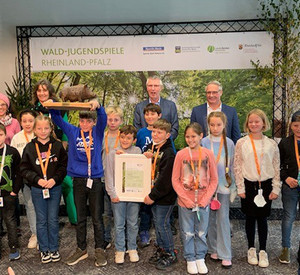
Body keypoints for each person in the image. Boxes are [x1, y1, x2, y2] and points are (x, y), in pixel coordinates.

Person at [49, 100, 108, 267]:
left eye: (88, 121)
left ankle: (99, 249)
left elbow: (103, 117)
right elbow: (57, 119)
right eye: (82, 121)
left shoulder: (97, 132)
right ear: (79, 121)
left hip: (95, 180)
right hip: (78, 181)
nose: (85, 124)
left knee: (97, 218)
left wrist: (98, 106)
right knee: (80, 217)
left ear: (93, 122)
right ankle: (81, 248)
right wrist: (54, 106)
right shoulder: (73, 131)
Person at [234, 109, 281, 268]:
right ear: (247, 124)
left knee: (262, 219)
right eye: (251, 121)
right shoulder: (242, 143)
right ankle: (251, 249)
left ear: (263, 123)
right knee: (250, 218)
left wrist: (276, 188)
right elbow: (237, 166)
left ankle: (263, 250)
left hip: (266, 185)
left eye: (257, 121)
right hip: (248, 186)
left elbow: (276, 166)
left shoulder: (271, 143)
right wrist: (240, 186)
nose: (254, 124)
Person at [20, 115, 67, 263]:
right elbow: (24, 169)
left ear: (51, 128)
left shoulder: (58, 146)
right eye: (39, 128)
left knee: (53, 219)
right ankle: (44, 249)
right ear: (34, 129)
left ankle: (53, 248)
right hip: (37, 188)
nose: (43, 131)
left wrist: (54, 179)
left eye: (46, 128)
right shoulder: (29, 148)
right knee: (41, 220)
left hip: (54, 187)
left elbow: (63, 167)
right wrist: (38, 180)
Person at [172, 122, 218, 274]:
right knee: (187, 231)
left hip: (203, 201)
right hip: (186, 201)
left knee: (201, 231)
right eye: (187, 136)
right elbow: (175, 180)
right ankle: (190, 257)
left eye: (193, 136)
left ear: (201, 136)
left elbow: (214, 180)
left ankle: (200, 257)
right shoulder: (181, 155)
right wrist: (185, 198)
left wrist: (206, 199)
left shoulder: (208, 154)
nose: (190, 139)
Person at [31, 79, 77, 225]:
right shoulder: (32, 110)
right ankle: (50, 221)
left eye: (45, 90)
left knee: (67, 184)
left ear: (50, 92)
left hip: (58, 151)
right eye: (39, 90)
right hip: (39, 153)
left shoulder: (59, 108)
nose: (42, 93)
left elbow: (64, 131)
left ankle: (74, 219)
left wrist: (62, 150)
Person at [202, 111, 236, 269]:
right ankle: (213, 249)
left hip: (223, 187)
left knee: (222, 220)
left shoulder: (229, 143)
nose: (215, 128)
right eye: (212, 125)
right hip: (207, 188)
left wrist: (233, 187)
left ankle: (225, 253)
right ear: (208, 125)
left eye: (218, 125)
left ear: (224, 125)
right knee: (209, 220)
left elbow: (233, 166)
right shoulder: (203, 142)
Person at [143, 119, 177, 270]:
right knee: (157, 224)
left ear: (168, 135)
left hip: (164, 197)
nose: (155, 135)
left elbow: (164, 180)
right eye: (154, 132)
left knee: (163, 224)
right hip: (154, 194)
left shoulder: (169, 153)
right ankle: (161, 250)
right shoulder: (153, 147)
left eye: (160, 132)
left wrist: (152, 196)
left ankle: (170, 253)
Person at [105, 125, 141, 264]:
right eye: (123, 137)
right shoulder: (112, 154)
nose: (125, 140)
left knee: (132, 223)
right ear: (119, 137)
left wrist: (147, 156)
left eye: (129, 138)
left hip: (134, 195)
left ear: (134, 140)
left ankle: (132, 248)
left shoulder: (138, 151)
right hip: (118, 195)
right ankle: (120, 249)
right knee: (119, 224)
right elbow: (109, 175)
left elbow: (141, 168)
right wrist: (112, 193)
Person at [11, 109, 38, 249]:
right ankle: (35, 234)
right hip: (25, 179)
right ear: (20, 122)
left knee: (43, 206)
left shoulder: (40, 134)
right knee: (30, 205)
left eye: (30, 121)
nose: (27, 124)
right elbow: (15, 160)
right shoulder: (17, 138)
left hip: (41, 178)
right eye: (24, 121)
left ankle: (45, 233)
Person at [136, 103, 161, 247]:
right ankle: (144, 232)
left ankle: (161, 234)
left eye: (153, 114)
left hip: (158, 177)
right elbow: (137, 152)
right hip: (144, 176)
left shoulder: (163, 132)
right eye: (147, 114)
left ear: (159, 116)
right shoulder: (141, 133)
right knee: (145, 206)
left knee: (159, 208)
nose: (150, 117)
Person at [278, 110, 300, 264]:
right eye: (296, 125)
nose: (299, 128)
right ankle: (286, 248)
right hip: (290, 186)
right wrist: (286, 178)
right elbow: (278, 166)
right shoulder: (285, 143)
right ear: (291, 126)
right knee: (288, 217)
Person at [101, 106, 123, 249]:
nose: (113, 122)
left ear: (121, 121)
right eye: (110, 119)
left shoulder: (125, 137)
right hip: (103, 178)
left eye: (116, 120)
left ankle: (122, 240)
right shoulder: (101, 136)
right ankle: (106, 238)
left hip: (120, 180)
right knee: (106, 212)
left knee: (120, 213)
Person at [0, 123, 21, 261]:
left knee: (10, 220)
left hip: (8, 193)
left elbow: (19, 172)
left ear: (5, 134)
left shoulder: (12, 151)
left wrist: (15, 191)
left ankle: (13, 247)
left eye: (0, 134)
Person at [133, 76, 179, 140]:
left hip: (165, 146)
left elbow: (175, 128)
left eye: (156, 86)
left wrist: (164, 141)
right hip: (144, 145)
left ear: (161, 88)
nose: (153, 88)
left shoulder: (170, 106)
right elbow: (136, 127)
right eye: (150, 85)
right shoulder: (139, 107)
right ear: (147, 88)